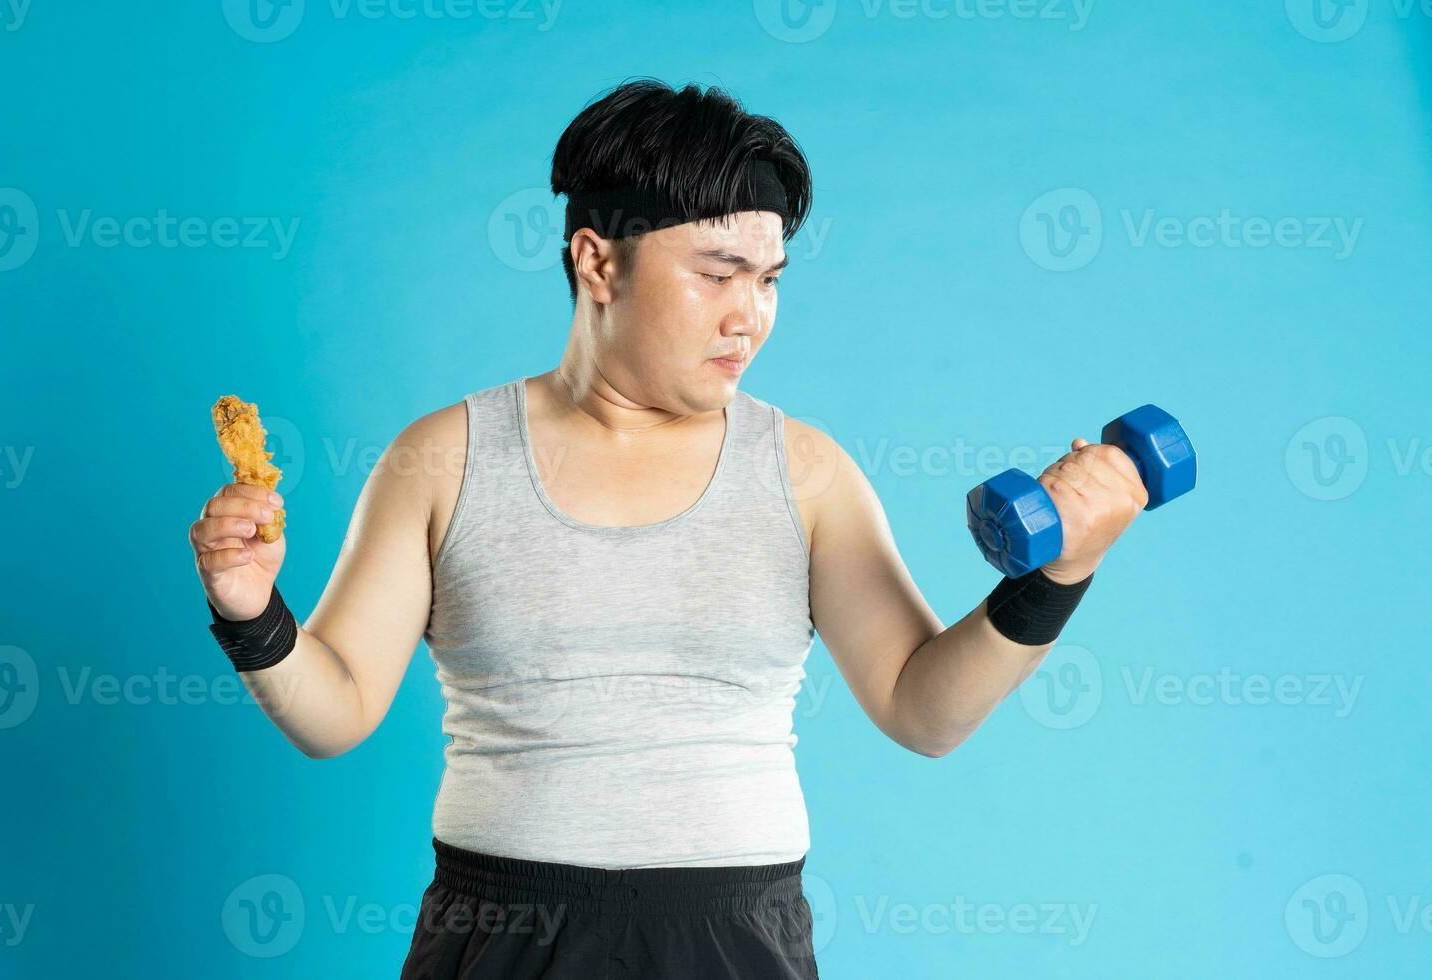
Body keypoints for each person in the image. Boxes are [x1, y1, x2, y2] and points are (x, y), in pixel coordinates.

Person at [186, 79, 1150, 978]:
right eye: (717, 273)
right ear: (596, 261)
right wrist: (251, 611)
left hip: (733, 937)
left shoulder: (806, 472)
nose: (750, 318)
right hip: (501, 931)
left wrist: (1059, 573)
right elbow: (337, 711)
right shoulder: (440, 458)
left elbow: (921, 710)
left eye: (768, 279)